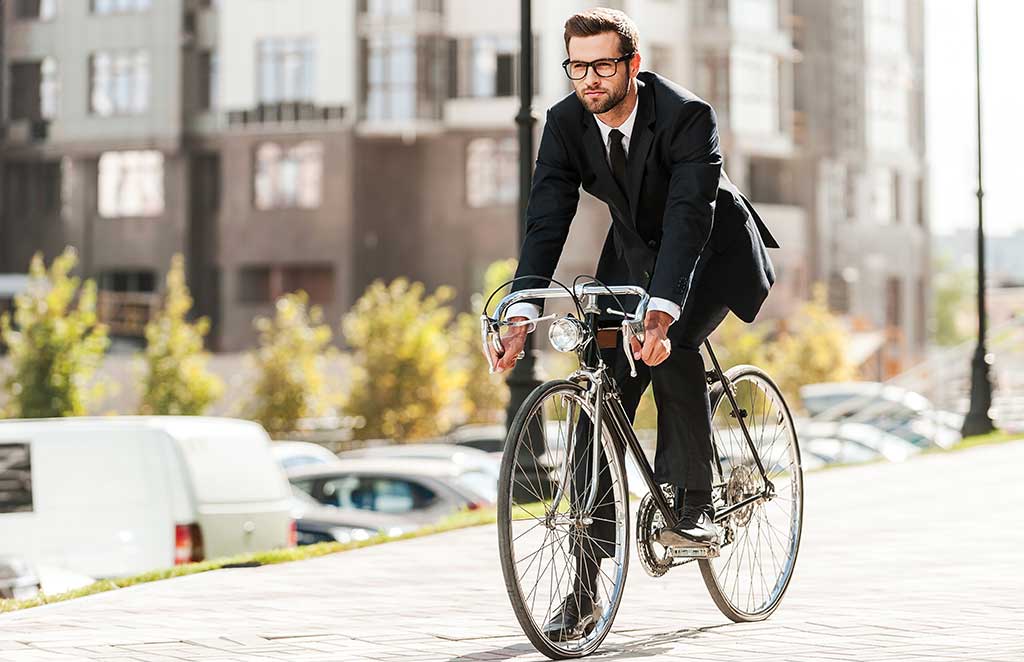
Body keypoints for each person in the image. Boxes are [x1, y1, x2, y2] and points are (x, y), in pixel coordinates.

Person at [488, 7, 780, 639]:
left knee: (666, 348)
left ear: (632, 66)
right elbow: (546, 218)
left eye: (602, 65)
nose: (588, 79)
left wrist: (662, 309)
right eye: (576, 66)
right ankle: (585, 590)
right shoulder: (565, 124)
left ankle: (694, 507)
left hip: (707, 253)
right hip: (631, 255)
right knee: (601, 391)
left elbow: (688, 216)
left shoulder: (686, 116)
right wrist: (521, 306)